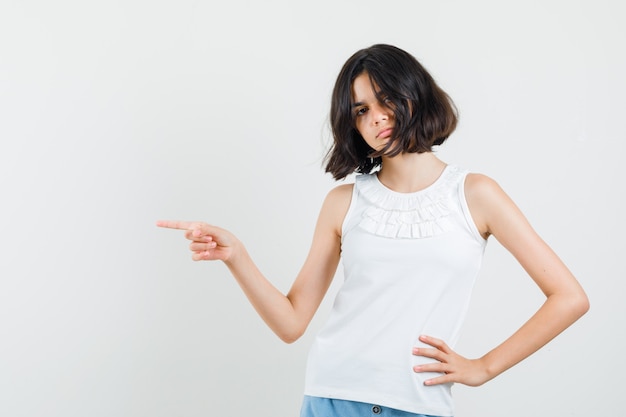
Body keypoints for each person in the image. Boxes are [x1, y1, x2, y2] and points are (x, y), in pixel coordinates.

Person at [157, 44, 589, 417]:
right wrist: (237, 256)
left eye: (385, 100)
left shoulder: (476, 194)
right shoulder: (344, 203)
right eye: (361, 110)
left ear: (415, 96)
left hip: (419, 401)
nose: (377, 118)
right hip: (333, 395)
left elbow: (569, 298)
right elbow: (291, 323)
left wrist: (484, 367)